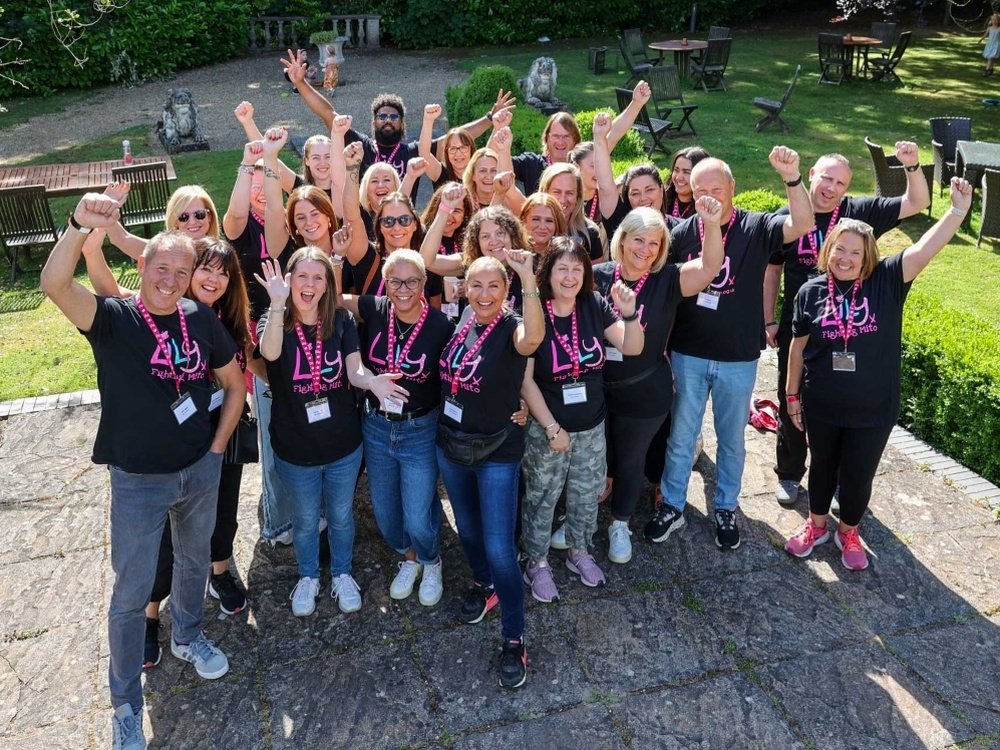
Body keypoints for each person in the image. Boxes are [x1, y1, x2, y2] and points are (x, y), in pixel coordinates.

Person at [41, 195, 246, 750]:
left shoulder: (199, 318)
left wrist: (217, 447)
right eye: (162, 268)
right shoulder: (113, 320)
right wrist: (80, 225)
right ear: (142, 266)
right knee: (131, 594)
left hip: (198, 470)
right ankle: (126, 705)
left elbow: (233, 384)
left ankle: (188, 636)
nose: (172, 279)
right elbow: (55, 284)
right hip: (138, 481)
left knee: (194, 561)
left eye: (183, 271)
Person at [784, 178, 972, 570]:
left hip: (873, 407)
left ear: (868, 255)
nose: (846, 258)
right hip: (822, 402)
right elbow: (798, 347)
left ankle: (848, 530)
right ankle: (816, 524)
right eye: (839, 249)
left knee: (857, 473)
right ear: (828, 250)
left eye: (855, 252)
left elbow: (925, 249)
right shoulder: (811, 291)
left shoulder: (887, 280)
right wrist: (791, 396)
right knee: (819, 466)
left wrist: (956, 211)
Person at [646, 148, 812, 551]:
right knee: (682, 435)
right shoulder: (684, 232)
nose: (707, 197)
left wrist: (792, 178)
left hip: (738, 357)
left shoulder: (756, 227)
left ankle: (725, 506)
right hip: (688, 353)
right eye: (699, 188)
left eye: (716, 188)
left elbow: (803, 222)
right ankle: (671, 505)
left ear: (732, 189)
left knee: (731, 438)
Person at [763, 145, 930, 506]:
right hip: (803, 326)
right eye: (826, 177)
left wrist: (912, 166)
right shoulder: (788, 215)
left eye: (840, 182)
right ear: (811, 175)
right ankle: (790, 474)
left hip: (851, 330)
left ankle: (838, 481)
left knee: (842, 408)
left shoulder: (859, 212)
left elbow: (917, 202)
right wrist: (769, 319)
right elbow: (772, 270)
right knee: (790, 397)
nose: (831, 187)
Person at [254, 248, 402, 617]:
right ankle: (307, 576)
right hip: (295, 448)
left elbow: (354, 371)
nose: (310, 285)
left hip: (342, 445)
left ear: (328, 284)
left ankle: (341, 573)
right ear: (288, 281)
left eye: (318, 277)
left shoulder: (341, 321)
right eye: (301, 277)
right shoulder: (273, 320)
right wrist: (276, 303)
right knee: (305, 520)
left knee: (340, 515)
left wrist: (374, 384)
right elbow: (269, 353)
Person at [591, 202, 724, 564]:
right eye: (638, 240)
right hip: (599, 388)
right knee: (597, 457)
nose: (645, 250)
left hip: (645, 389)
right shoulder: (599, 276)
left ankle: (620, 524)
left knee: (632, 460)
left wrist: (711, 225)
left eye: (654, 243)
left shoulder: (667, 278)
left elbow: (710, 267)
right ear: (622, 239)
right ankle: (584, 518)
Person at [436, 251, 543, 690]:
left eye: (493, 286)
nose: (483, 294)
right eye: (475, 285)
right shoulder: (463, 321)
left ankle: (514, 638)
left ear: (506, 292)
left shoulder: (513, 327)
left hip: (498, 450)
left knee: (501, 547)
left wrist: (527, 277)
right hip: (452, 444)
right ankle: (485, 586)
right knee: (468, 530)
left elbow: (533, 338)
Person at [520, 237, 644, 601]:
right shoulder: (535, 310)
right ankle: (536, 562)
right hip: (549, 430)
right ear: (548, 273)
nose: (570, 276)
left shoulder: (593, 304)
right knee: (542, 498)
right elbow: (525, 381)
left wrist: (630, 312)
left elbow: (632, 347)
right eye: (562, 268)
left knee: (586, 496)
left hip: (591, 426)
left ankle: (578, 551)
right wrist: (551, 428)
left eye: (577, 269)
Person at [337, 250, 454, 605]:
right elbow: (332, 299)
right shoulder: (375, 309)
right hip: (376, 426)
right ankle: (409, 557)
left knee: (418, 514)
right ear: (385, 283)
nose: (403, 289)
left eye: (412, 281)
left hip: (419, 428)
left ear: (423, 283)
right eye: (395, 281)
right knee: (386, 513)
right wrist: (331, 261)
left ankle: (431, 560)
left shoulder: (440, 327)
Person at [280, 49, 512, 181]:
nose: (388, 121)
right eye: (383, 117)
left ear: (402, 124)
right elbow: (328, 113)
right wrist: (301, 83)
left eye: (393, 117)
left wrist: (490, 118)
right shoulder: (361, 146)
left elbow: (455, 138)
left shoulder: (412, 152)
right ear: (374, 122)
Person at [223, 139, 296, 547]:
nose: (258, 189)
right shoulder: (240, 229)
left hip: (297, 339)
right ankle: (278, 518)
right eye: (251, 181)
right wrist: (249, 161)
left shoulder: (289, 223)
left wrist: (269, 162)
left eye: (263, 182)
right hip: (259, 343)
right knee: (270, 428)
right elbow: (234, 213)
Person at [505, 83, 651, 195]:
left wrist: (636, 103)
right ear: (547, 138)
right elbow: (499, 163)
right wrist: (499, 131)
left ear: (575, 140)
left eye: (566, 136)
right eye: (555, 136)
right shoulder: (532, 164)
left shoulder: (583, 162)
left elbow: (614, 134)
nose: (560, 142)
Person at [663, 146, 711, 221]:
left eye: (686, 172)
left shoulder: (708, 208)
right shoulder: (661, 200)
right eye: (676, 170)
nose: (679, 177)